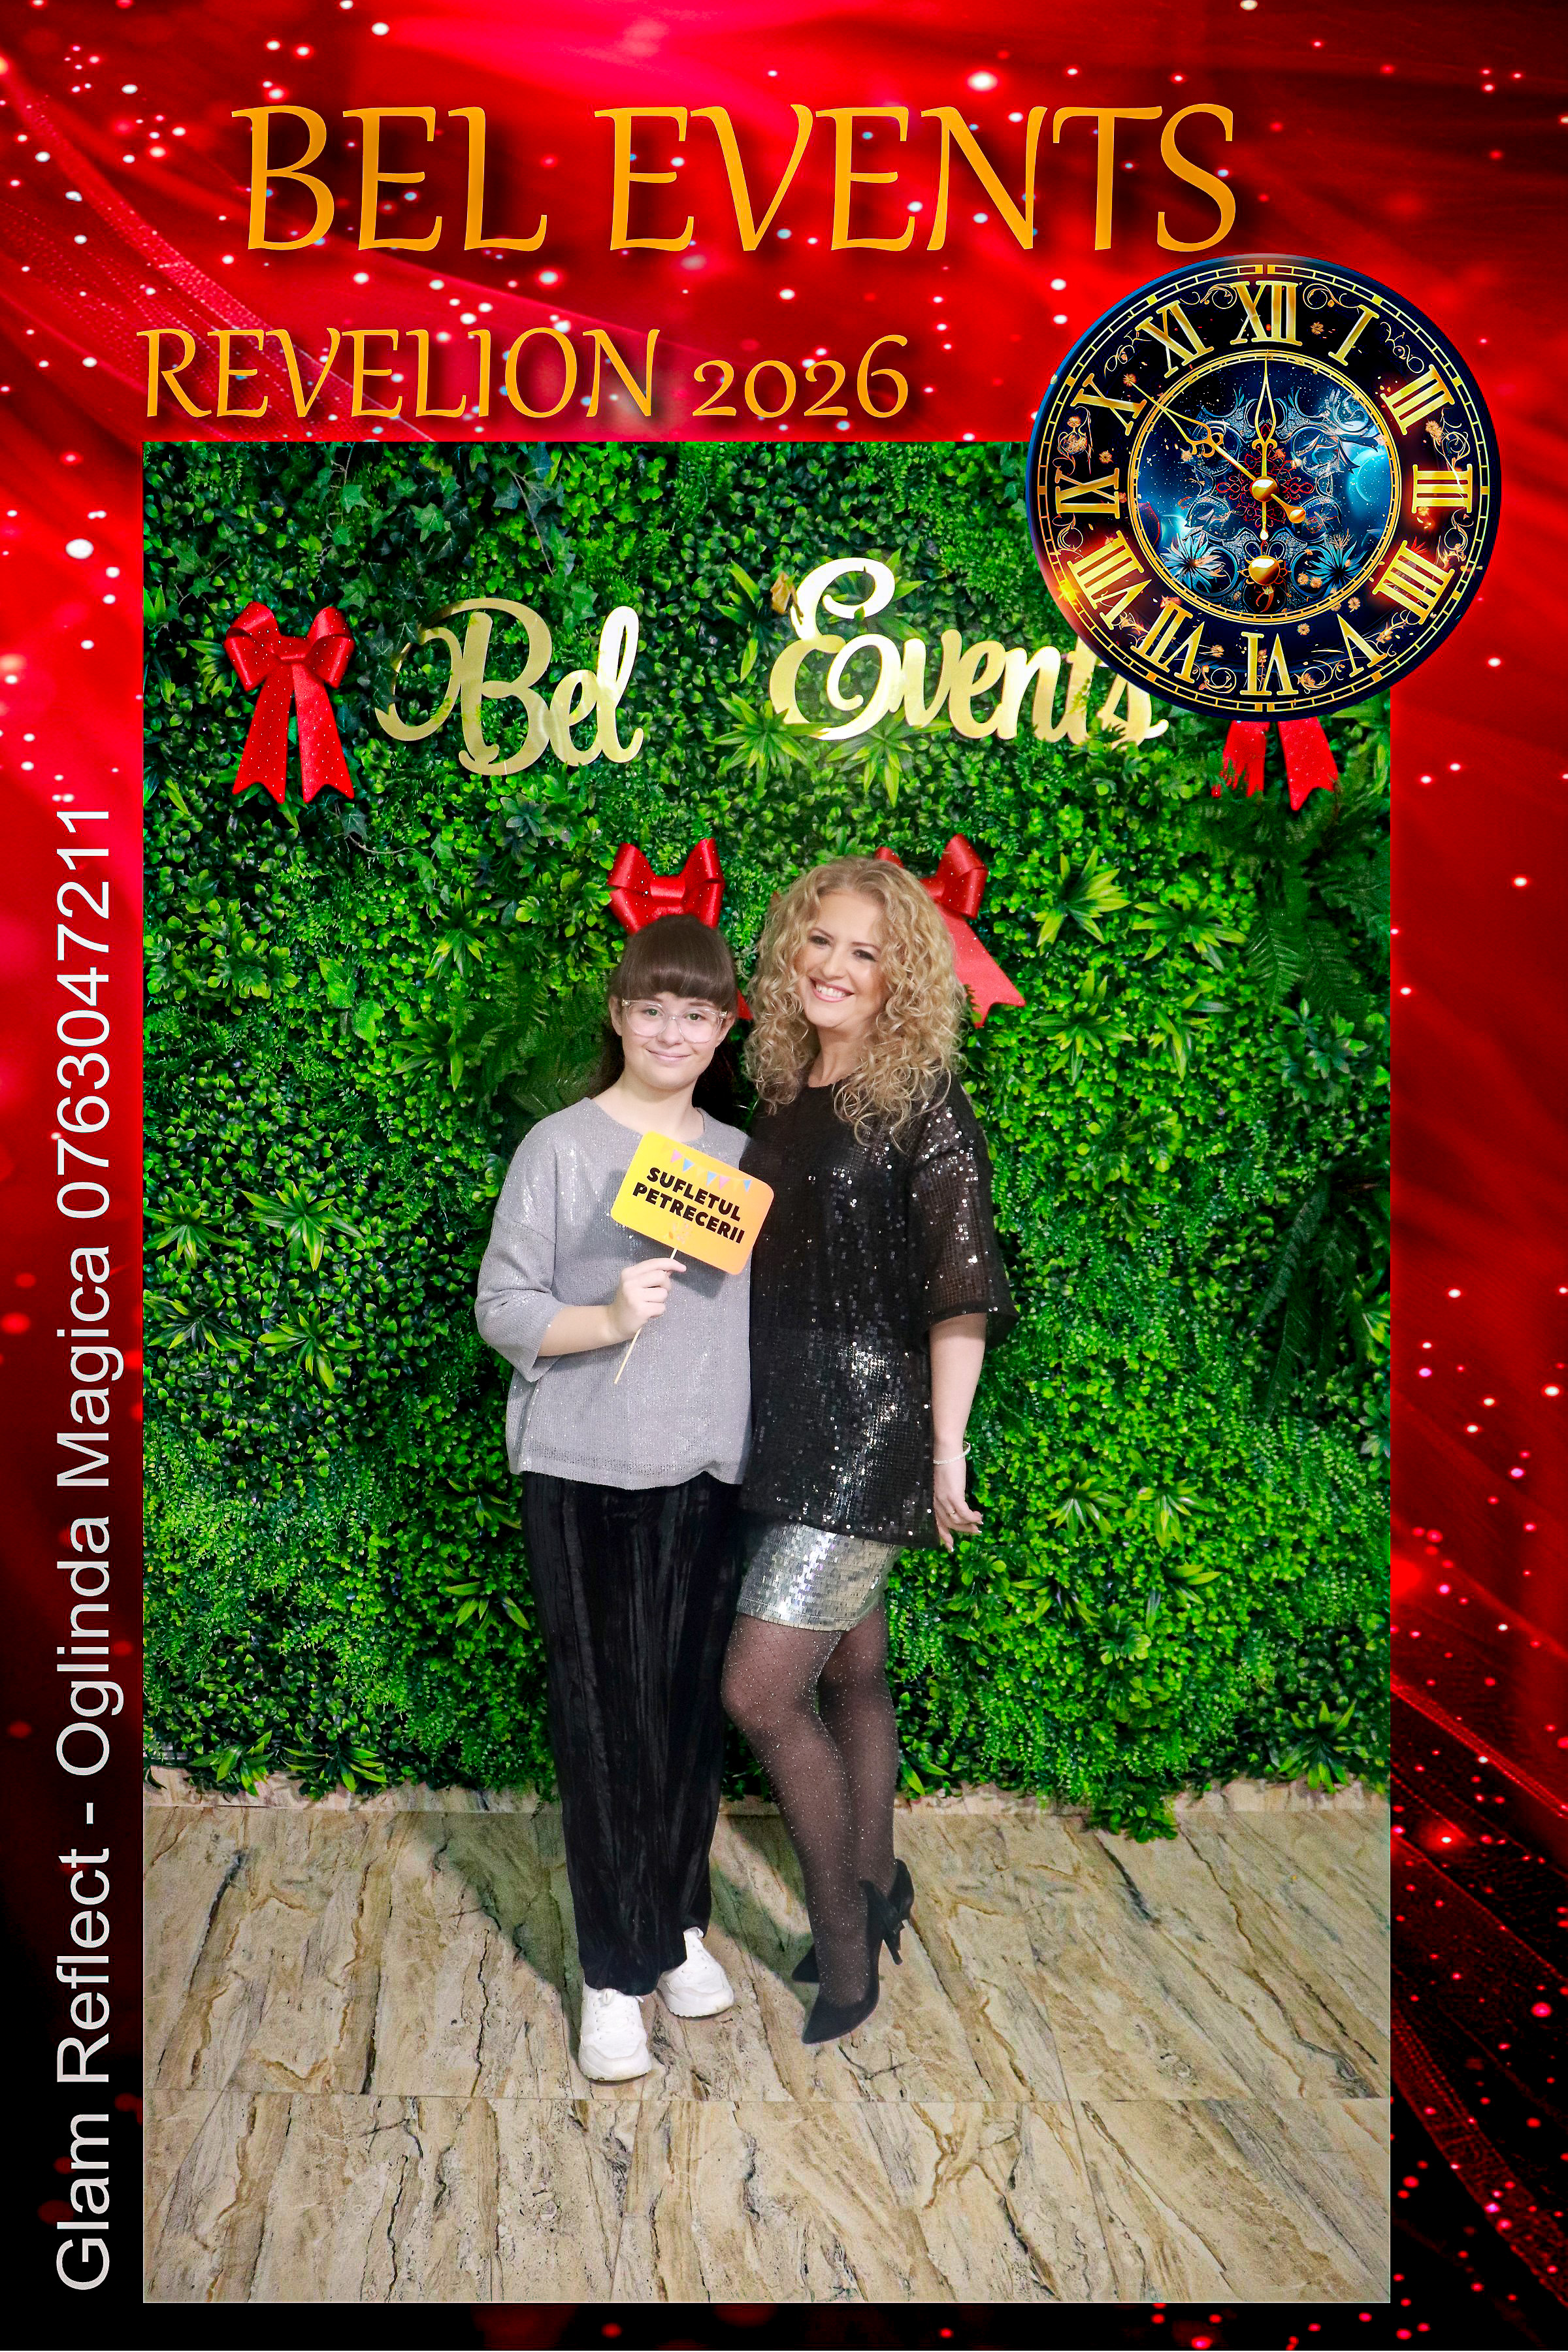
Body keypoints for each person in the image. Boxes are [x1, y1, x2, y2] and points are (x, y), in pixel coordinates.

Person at [723, 857, 1016, 2044]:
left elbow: (960, 1290)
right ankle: (882, 1882)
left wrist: (944, 1454)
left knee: (758, 1692)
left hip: (866, 1435)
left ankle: (847, 1960)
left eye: (867, 951)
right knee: (853, 1675)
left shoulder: (923, 1101)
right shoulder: (775, 1087)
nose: (836, 967)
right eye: (820, 941)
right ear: (790, 950)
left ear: (902, 977)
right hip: (776, 1422)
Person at [475, 913, 750, 2083]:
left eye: (697, 1013)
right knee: (604, 1724)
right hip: (585, 1471)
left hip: (711, 1472)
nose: (673, 1032)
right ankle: (613, 1971)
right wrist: (606, 1318)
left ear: (725, 1027)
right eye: (652, 1009)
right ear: (619, 1016)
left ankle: (676, 1922)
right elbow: (502, 1305)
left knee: (687, 1720)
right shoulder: (560, 1148)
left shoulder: (740, 1158)